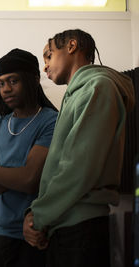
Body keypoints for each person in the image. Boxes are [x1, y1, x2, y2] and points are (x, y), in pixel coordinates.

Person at [23, 29, 135, 267]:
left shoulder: (98, 87)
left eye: (49, 55)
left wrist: (38, 216)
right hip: (62, 223)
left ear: (71, 46)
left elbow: (79, 166)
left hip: (81, 228)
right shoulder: (75, 94)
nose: (45, 66)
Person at [0, 48, 58, 267]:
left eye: (13, 81)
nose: (6, 89)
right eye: (1, 83)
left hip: (26, 237)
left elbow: (29, 181)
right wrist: (18, 172)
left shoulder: (51, 121)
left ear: (34, 79)